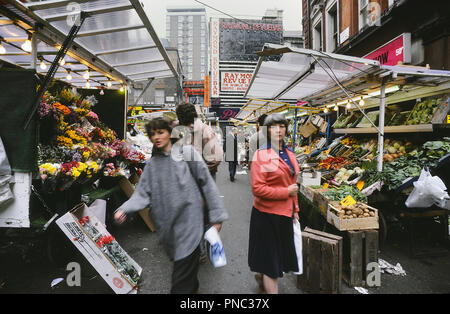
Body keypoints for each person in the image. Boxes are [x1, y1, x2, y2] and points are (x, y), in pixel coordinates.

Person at [114, 117, 228, 294]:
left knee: (180, 284)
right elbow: (142, 194)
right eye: (153, 134)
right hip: (168, 230)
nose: (157, 137)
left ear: (170, 133)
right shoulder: (152, 165)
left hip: (190, 226)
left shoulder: (188, 153)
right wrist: (124, 209)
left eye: (160, 132)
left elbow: (208, 184)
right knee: (187, 277)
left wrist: (217, 216)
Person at [248, 113, 300, 294]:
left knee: (274, 257)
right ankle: (267, 281)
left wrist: (296, 209)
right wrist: (286, 192)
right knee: (272, 265)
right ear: (267, 130)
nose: (278, 130)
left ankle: (262, 276)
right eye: (273, 126)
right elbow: (258, 189)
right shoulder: (261, 155)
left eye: (282, 126)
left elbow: (292, 182)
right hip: (266, 216)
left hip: (285, 214)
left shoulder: (289, 153)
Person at [175, 103, 223, 180]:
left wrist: (199, 171)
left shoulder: (204, 130)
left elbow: (217, 157)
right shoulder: (179, 129)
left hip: (203, 179)